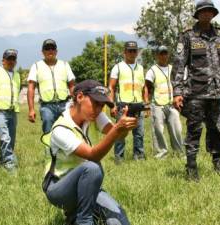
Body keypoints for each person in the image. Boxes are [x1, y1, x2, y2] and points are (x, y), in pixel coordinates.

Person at [41, 80, 136, 225]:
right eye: (96, 103)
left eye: (102, 105)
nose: (99, 109)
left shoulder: (94, 115)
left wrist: (124, 127)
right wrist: (118, 129)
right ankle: (84, 220)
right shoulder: (60, 129)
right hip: (58, 188)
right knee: (92, 168)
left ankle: (74, 215)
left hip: (86, 185)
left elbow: (117, 135)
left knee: (118, 219)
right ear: (79, 97)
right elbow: (93, 155)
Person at [171, 0, 220, 181]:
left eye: (210, 11)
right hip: (196, 92)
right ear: (197, 14)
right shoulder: (188, 36)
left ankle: (218, 163)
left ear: (214, 14)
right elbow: (179, 65)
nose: (206, 14)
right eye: (203, 11)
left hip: (217, 93)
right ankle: (191, 168)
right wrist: (177, 92)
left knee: (216, 129)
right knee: (194, 130)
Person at [109, 41, 148, 163]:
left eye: (134, 51)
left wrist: (146, 104)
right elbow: (111, 87)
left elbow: (144, 87)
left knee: (139, 133)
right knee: (121, 133)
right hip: (123, 105)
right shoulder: (118, 67)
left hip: (138, 105)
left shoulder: (141, 68)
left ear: (137, 52)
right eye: (129, 51)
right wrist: (112, 105)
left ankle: (139, 157)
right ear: (124, 52)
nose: (132, 53)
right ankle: (119, 158)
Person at [27, 39, 76, 133]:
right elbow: (31, 88)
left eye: (52, 48)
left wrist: (76, 103)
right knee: (48, 130)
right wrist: (31, 110)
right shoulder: (36, 66)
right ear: (42, 52)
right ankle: (49, 148)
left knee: (67, 132)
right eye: (47, 48)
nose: (50, 51)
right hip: (46, 106)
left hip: (64, 104)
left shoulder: (65, 65)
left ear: (56, 51)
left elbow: (72, 86)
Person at [145, 46, 183, 159]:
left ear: (168, 55)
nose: (163, 56)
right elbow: (146, 87)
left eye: (165, 53)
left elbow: (180, 84)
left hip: (172, 105)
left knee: (177, 130)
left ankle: (179, 154)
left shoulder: (173, 69)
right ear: (157, 55)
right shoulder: (152, 70)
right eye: (161, 54)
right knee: (158, 132)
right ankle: (161, 155)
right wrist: (147, 104)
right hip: (157, 106)